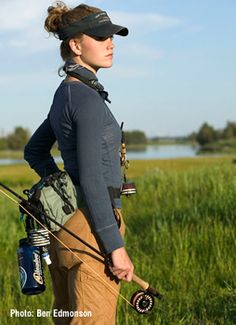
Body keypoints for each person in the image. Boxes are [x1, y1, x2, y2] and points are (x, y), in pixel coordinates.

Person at [24, 2, 134, 324]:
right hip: (92, 230)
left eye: (112, 37)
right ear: (75, 44)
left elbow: (34, 150)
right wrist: (115, 246)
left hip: (66, 228)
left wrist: (61, 192)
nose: (111, 43)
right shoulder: (85, 98)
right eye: (100, 38)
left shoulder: (66, 93)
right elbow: (91, 177)